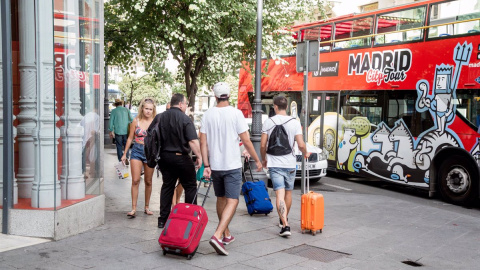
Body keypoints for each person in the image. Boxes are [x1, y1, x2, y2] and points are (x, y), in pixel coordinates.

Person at [200, 82, 262, 256]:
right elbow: (247, 141)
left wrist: (206, 165)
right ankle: (218, 235)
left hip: (216, 165)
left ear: (215, 96)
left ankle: (226, 234)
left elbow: (203, 143)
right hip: (232, 164)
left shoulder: (207, 115)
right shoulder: (236, 114)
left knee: (220, 198)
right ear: (229, 96)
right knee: (233, 200)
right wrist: (257, 159)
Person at [260, 96, 309, 237]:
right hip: (290, 164)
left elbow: (263, 145)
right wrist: (305, 153)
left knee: (279, 195)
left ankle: (285, 226)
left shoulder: (268, 122)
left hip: (275, 164)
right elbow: (300, 144)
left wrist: (264, 159)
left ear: (275, 106)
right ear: (286, 107)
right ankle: (284, 220)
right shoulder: (294, 122)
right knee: (288, 193)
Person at [157, 94, 202, 228]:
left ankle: (163, 219)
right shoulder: (185, 118)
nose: (186, 106)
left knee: (167, 186)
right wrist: (199, 156)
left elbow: (151, 136)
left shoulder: (160, 117)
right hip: (181, 157)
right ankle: (189, 217)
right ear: (181, 104)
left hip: (164, 157)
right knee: (190, 186)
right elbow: (193, 141)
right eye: (186, 104)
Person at [121, 98, 157, 217]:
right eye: (146, 108)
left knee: (148, 181)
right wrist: (124, 153)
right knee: (135, 180)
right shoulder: (136, 121)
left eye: (150, 109)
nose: (148, 111)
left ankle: (147, 207)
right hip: (136, 150)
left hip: (150, 152)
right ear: (142, 108)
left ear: (153, 110)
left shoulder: (155, 122)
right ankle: (133, 208)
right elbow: (130, 138)